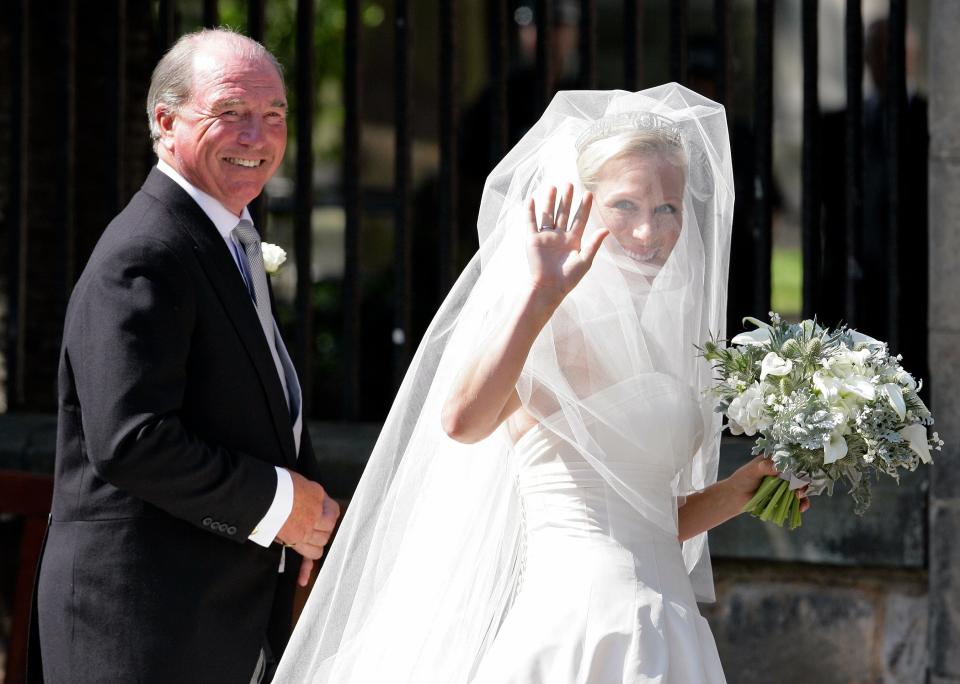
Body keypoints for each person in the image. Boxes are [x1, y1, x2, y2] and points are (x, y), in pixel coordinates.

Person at [274, 85, 808, 683]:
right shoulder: (547, 325)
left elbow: (650, 521)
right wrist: (539, 297)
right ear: (584, 204)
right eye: (625, 206)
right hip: (578, 623)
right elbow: (462, 421)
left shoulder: (666, 342)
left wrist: (740, 489)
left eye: (668, 209)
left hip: (669, 622)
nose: (649, 232)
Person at [31, 28, 339, 684]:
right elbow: (132, 440)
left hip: (211, 623)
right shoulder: (146, 251)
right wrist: (284, 506)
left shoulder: (222, 238)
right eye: (231, 113)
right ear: (165, 122)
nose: (258, 136)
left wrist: (304, 519)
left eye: (274, 115)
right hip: (142, 632)